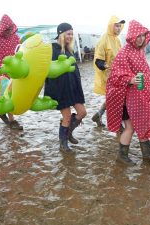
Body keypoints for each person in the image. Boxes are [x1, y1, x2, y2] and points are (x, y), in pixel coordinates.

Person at [106, 20, 150, 165]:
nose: (141, 39)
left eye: (143, 35)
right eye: (138, 36)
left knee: (143, 124)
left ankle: (147, 155)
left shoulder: (140, 51)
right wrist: (130, 80)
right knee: (130, 128)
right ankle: (122, 155)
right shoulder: (124, 52)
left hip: (139, 97)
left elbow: (144, 72)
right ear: (132, 36)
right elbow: (114, 76)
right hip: (124, 99)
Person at [44, 23, 87, 153]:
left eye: (72, 34)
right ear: (61, 34)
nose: (70, 36)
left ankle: (68, 133)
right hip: (60, 88)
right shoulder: (51, 49)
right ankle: (63, 144)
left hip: (73, 87)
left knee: (82, 112)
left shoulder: (69, 49)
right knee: (67, 117)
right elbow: (47, 70)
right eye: (68, 34)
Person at [91, 16, 125, 127]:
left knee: (115, 98)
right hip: (108, 76)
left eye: (120, 26)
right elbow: (98, 59)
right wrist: (105, 66)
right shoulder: (104, 39)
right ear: (111, 26)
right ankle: (118, 124)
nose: (118, 28)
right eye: (116, 25)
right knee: (115, 99)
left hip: (118, 75)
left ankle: (99, 114)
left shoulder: (118, 40)